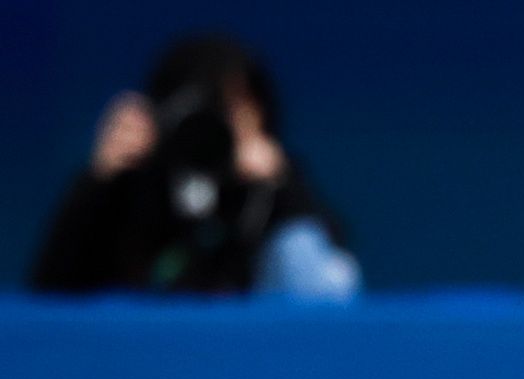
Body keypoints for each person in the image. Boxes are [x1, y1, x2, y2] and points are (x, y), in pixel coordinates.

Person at [29, 35, 359, 300]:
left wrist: (281, 183)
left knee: (297, 245)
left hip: (255, 354)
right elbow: (49, 291)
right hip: (138, 355)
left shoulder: (273, 189)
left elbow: (330, 285)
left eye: (233, 108)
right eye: (204, 107)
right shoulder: (132, 188)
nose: (214, 126)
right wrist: (98, 180)